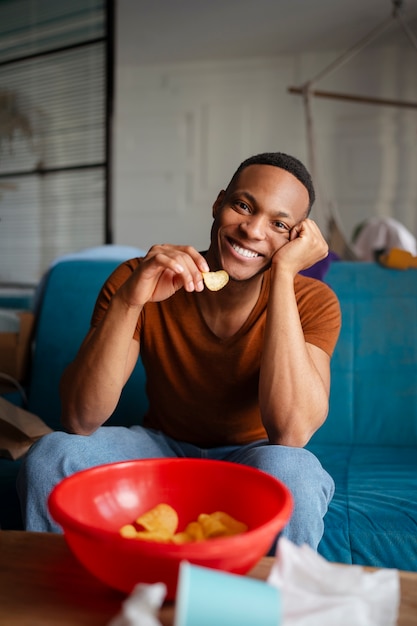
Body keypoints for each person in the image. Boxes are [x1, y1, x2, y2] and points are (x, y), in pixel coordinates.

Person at [17, 152, 341, 549]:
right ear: (218, 203)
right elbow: (79, 419)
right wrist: (129, 301)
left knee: (295, 473)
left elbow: (290, 433)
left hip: (255, 457)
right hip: (161, 448)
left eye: (278, 224)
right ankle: (62, 605)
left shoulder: (314, 301)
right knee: (51, 456)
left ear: (296, 239)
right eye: (243, 205)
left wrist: (285, 276)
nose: (253, 230)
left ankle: (274, 609)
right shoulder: (139, 278)